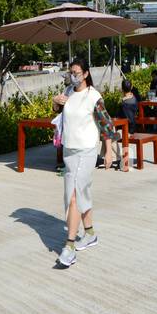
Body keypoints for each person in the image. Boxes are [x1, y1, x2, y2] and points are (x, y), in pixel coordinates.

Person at [52, 57, 118, 268]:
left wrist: (108, 151)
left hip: (87, 151)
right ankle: (89, 233)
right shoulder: (69, 93)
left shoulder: (94, 97)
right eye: (71, 72)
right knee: (74, 195)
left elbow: (106, 124)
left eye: (77, 72)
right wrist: (56, 102)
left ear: (87, 74)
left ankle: (69, 247)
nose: (73, 76)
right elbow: (59, 114)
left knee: (75, 197)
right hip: (69, 151)